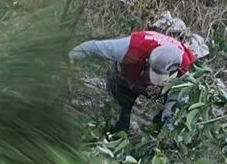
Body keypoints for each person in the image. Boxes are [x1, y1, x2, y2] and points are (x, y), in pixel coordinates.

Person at [69, 29, 197, 134]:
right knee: (118, 114)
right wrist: (68, 58)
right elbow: (92, 47)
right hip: (126, 78)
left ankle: (156, 135)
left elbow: (174, 105)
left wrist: (167, 130)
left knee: (167, 120)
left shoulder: (184, 70)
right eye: (152, 75)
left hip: (159, 92)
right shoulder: (130, 47)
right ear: (147, 62)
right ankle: (116, 130)